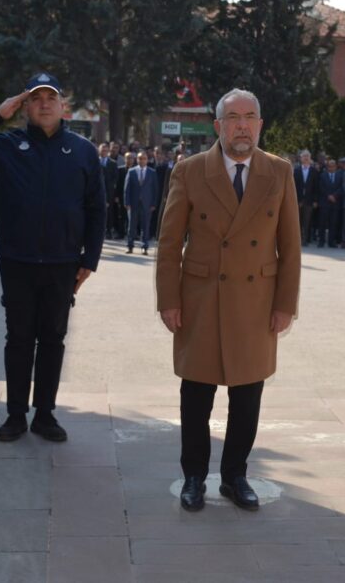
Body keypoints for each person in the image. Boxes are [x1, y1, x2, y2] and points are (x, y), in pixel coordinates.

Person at [156, 88, 301, 512]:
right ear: (217, 126)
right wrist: (169, 299)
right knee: (196, 394)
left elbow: (290, 246)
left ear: (260, 125)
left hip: (256, 300)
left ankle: (235, 475)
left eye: (249, 116)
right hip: (201, 298)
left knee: (247, 394)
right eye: (232, 117)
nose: (241, 125)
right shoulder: (190, 170)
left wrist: (284, 304)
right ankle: (194, 477)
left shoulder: (279, 171)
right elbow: (169, 244)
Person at [0, 72, 106, 443]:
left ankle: (46, 415)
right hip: (17, 261)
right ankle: (16, 415)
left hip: (62, 262)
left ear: (62, 105)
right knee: (19, 338)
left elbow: (96, 208)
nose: (44, 104)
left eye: (50, 97)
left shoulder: (82, 150)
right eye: (35, 98)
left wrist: (90, 259)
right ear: (25, 106)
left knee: (52, 340)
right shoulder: (6, 144)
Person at [124, 150, 158, 255]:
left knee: (145, 226)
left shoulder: (152, 172)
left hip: (147, 204)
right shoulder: (131, 171)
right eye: (140, 158)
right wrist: (126, 202)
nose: (142, 160)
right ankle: (130, 246)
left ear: (147, 160)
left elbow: (155, 190)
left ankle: (144, 247)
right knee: (131, 226)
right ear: (137, 159)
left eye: (144, 158)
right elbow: (127, 188)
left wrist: (154, 204)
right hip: (133, 203)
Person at [293, 150, 319, 246]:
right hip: (298, 200)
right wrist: (295, 200)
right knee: (297, 221)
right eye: (304, 156)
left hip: (309, 200)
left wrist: (315, 200)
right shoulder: (296, 170)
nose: (306, 158)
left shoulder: (314, 171)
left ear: (310, 158)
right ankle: (297, 240)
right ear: (301, 158)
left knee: (307, 221)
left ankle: (305, 240)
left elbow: (317, 187)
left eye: (307, 156)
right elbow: (293, 186)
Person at [317, 158, 342, 247]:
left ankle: (331, 242)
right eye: (329, 166)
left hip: (335, 203)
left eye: (333, 166)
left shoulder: (340, 175)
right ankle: (321, 241)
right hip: (325, 202)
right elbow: (320, 187)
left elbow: (341, 187)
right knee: (322, 223)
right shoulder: (322, 175)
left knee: (333, 223)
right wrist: (328, 195)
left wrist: (334, 196)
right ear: (327, 167)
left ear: (336, 167)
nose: (331, 168)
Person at [98, 143, 121, 239]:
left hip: (109, 192)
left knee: (109, 212)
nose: (104, 152)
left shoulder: (112, 163)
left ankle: (108, 231)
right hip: (96, 191)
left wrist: (112, 193)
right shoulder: (95, 161)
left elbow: (115, 179)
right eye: (102, 150)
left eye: (106, 150)